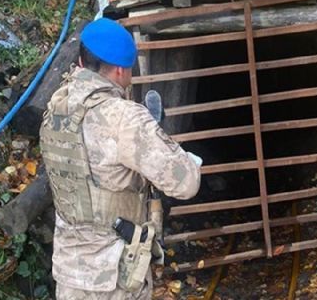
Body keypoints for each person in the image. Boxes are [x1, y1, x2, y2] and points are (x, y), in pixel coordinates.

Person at [40, 18, 202, 299]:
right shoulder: (124, 118)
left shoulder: (56, 106)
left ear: (81, 60)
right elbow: (186, 183)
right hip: (114, 279)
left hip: (70, 274)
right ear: (119, 70)